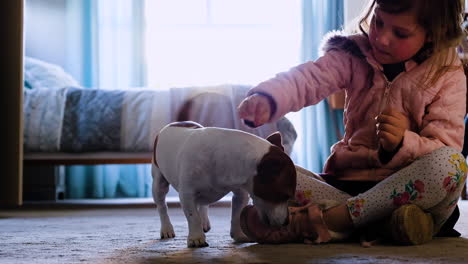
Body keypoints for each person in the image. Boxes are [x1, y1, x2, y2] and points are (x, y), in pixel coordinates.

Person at [237, 0, 467, 246]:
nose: (381, 39)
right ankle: (384, 224)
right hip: (346, 187)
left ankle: (332, 220)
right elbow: (309, 79)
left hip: (409, 192)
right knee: (268, 167)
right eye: (378, 22)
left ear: (434, 34)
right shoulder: (353, 54)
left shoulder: (448, 74)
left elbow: (445, 144)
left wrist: (402, 144)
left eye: (400, 33)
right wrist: (269, 98)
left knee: (452, 164)